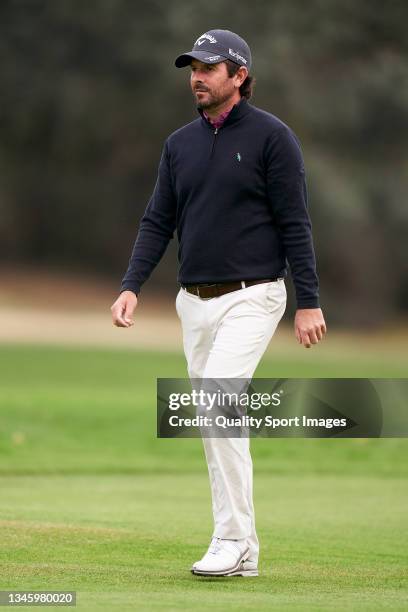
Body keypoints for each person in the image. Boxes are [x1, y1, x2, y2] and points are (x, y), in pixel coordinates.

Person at [111, 29, 327, 577]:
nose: (197, 77)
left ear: (240, 76)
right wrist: (131, 285)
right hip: (194, 302)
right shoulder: (179, 144)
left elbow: (295, 222)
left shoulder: (272, 138)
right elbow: (158, 220)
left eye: (209, 68)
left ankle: (230, 539)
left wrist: (309, 300)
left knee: (217, 402)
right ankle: (243, 549)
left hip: (254, 296)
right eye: (193, 68)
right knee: (214, 419)